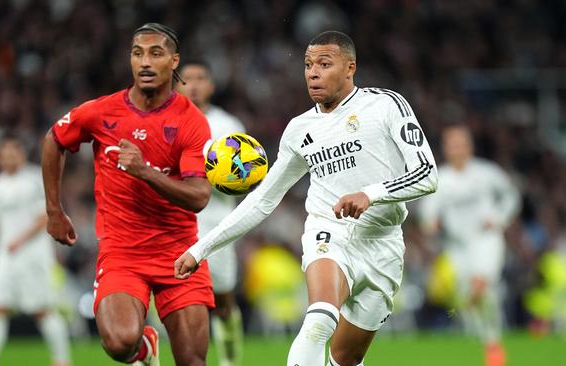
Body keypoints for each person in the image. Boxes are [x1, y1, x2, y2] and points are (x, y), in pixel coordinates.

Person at [175, 30, 438, 366]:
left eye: (324, 64)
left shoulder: (385, 104)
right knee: (319, 319)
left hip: (383, 244)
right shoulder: (299, 130)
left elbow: (427, 175)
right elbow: (262, 200)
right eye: (308, 64)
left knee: (345, 357)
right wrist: (200, 249)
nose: (313, 72)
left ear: (349, 68)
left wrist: (371, 194)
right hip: (329, 231)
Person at [41, 23, 214, 366]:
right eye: (138, 54)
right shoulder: (101, 112)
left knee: (193, 361)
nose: (145, 62)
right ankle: (143, 350)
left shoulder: (192, 121)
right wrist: (54, 211)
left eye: (155, 53)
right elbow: (54, 140)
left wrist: (144, 171)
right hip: (122, 252)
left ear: (173, 61)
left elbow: (199, 196)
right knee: (120, 342)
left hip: (179, 252)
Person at [419, 125, 520, 366]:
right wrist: (431, 223)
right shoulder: (440, 179)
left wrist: (498, 218)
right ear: (445, 148)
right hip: (457, 246)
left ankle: (494, 346)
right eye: (452, 144)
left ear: (469, 146)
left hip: (486, 240)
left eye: (460, 143)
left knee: (479, 286)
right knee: (473, 297)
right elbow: (427, 214)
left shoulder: (487, 173)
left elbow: (511, 196)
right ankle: (490, 341)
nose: (456, 149)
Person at [0, 134, 71, 366]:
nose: (9, 157)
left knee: (42, 310)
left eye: (13, 152)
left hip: (33, 256)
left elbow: (45, 216)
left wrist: (20, 239)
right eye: (4, 153)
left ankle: (62, 361)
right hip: (6, 256)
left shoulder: (34, 178)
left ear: (22, 154)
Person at [176, 60, 245, 366]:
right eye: (186, 79)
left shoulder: (228, 126)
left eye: (200, 78)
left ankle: (230, 358)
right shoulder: (166, 120)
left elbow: (243, 180)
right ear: (176, 85)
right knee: (181, 301)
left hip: (218, 222)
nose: (193, 84)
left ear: (211, 86)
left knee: (224, 299)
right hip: (176, 223)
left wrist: (210, 176)